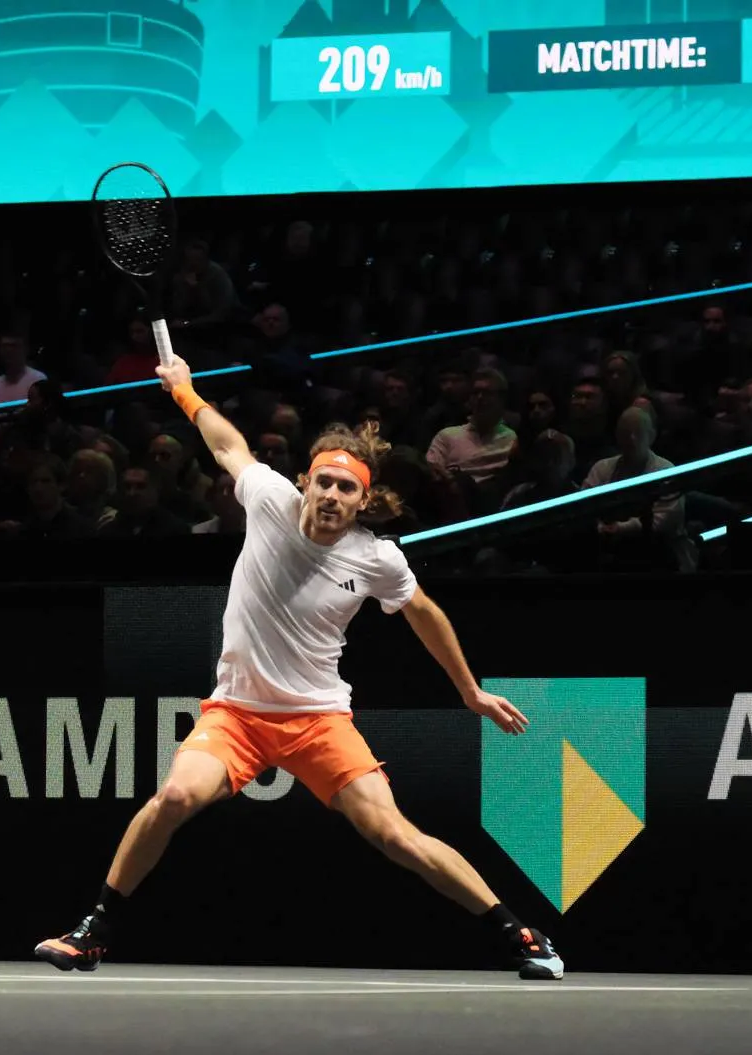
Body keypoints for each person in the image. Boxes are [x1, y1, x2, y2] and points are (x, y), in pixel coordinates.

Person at [36, 357, 565, 980]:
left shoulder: (376, 559)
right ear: (305, 483)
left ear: (363, 500)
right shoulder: (268, 500)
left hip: (318, 720)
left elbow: (424, 614)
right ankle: (94, 931)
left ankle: (519, 933)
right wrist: (183, 391)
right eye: (324, 483)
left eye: (347, 489)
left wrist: (470, 691)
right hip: (237, 714)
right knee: (175, 795)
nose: (333, 496)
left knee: (393, 834)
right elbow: (226, 444)